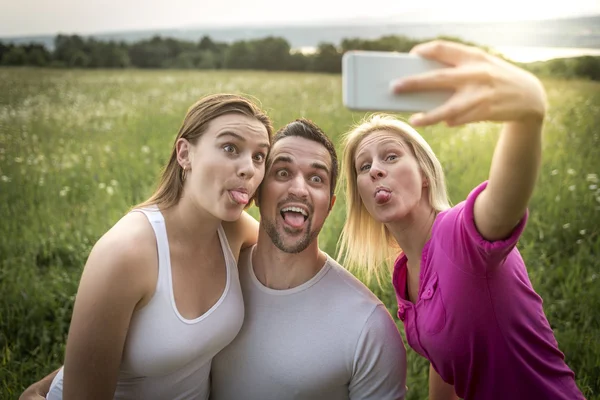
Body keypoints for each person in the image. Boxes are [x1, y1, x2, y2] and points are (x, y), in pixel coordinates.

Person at [337, 40, 585, 400]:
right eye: (364, 166)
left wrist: (527, 117)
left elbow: (504, 201)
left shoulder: (457, 233)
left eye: (390, 157)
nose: (375, 170)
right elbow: (446, 365)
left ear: (424, 175)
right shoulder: (404, 273)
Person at [20, 93, 274, 400]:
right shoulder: (127, 253)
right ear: (185, 154)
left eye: (259, 156)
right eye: (230, 148)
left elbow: (299, 264)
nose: (249, 168)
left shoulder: (234, 230)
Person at [210, 118, 408, 400]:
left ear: (329, 205)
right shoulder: (215, 278)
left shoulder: (368, 326)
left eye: (316, 179)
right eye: (282, 173)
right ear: (256, 192)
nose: (299, 189)